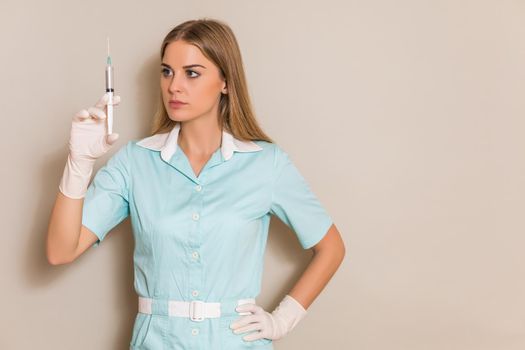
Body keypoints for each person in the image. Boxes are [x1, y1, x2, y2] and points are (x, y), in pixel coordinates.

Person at [46, 17, 346, 349]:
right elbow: (61, 250)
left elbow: (331, 248)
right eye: (167, 71)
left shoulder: (266, 164)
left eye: (192, 73)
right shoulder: (135, 162)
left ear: (226, 82)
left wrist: (282, 320)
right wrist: (79, 162)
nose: (174, 86)